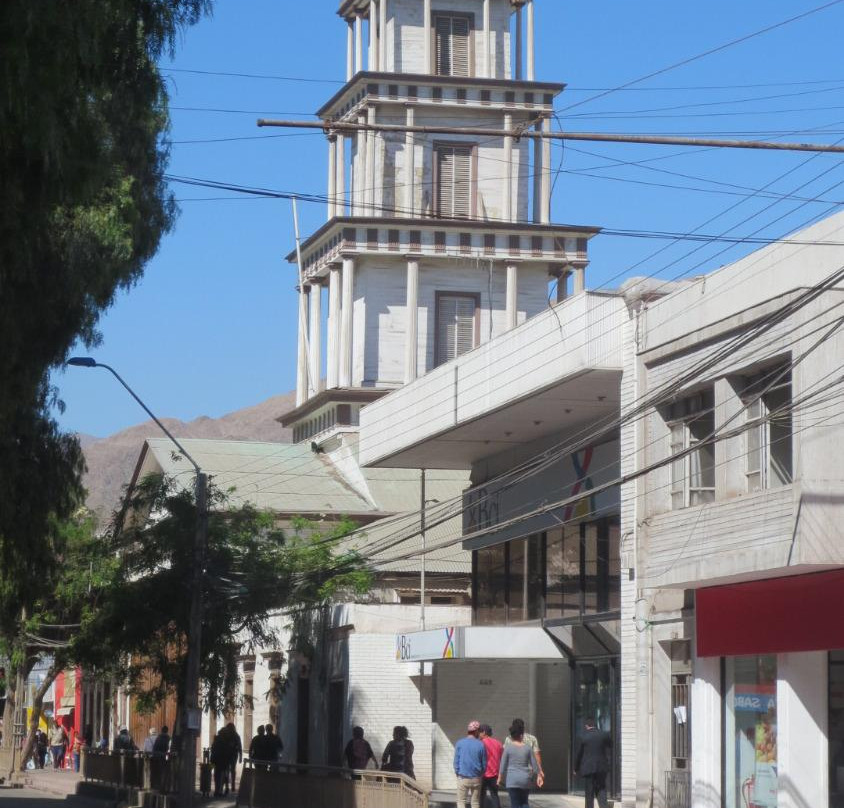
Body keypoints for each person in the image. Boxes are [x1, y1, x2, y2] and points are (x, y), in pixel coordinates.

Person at [498, 721, 540, 808]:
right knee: (524, 802)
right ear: (521, 735)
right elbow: (534, 765)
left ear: (512, 736)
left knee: (515, 803)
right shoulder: (527, 748)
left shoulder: (508, 748)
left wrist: (499, 778)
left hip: (512, 779)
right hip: (525, 779)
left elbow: (503, 764)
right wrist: (539, 775)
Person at [574, 718, 612, 808]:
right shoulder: (604, 735)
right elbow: (611, 746)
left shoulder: (584, 737)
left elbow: (579, 754)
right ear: (595, 725)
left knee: (589, 793)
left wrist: (576, 768)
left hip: (589, 769)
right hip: (602, 768)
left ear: (587, 726)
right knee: (601, 790)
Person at [453, 720, 487, 808]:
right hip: (477, 777)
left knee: (461, 801)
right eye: (479, 731)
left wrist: (457, 772)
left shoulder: (460, 743)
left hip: (463, 776)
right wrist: (481, 773)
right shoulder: (481, 745)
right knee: (475, 802)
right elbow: (484, 763)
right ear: (476, 731)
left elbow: (456, 761)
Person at [503, 719, 544, 787]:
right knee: (524, 793)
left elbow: (505, 756)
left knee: (514, 794)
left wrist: (501, 773)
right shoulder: (532, 738)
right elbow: (537, 756)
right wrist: (539, 771)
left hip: (512, 771)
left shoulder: (509, 739)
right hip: (528, 772)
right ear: (523, 727)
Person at [479, 724, 503, 808]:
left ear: (484, 732)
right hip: (495, 774)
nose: (478, 734)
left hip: (483, 774)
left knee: (481, 796)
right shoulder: (498, 743)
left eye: (479, 732)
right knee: (494, 795)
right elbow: (501, 758)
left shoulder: (480, 744)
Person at [210, 730, 231, 797]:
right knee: (221, 776)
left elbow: (213, 749)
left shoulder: (216, 740)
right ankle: (219, 791)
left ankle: (217, 791)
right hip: (222, 761)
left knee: (218, 776)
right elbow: (226, 751)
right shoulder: (223, 741)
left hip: (217, 760)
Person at [223, 723, 242, 792]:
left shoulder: (235, 736)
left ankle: (230, 786)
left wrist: (240, 756)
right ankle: (230, 786)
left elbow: (239, 746)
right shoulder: (229, 735)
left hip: (232, 755)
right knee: (230, 770)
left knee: (229, 770)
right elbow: (240, 746)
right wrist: (240, 756)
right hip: (230, 755)